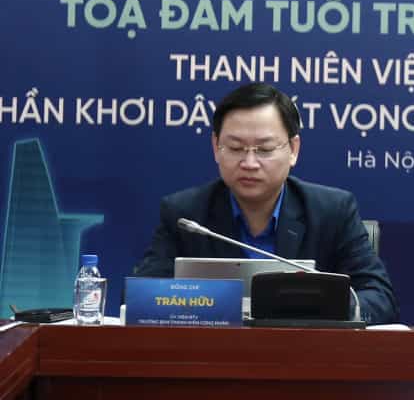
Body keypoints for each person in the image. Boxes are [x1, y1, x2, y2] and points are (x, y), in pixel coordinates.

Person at [133, 82, 399, 325]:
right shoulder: (186, 216)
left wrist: (326, 306)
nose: (249, 163)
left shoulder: (332, 211)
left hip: (305, 356)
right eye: (235, 148)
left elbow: (380, 299)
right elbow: (137, 297)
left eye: (264, 149)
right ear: (216, 147)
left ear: (293, 149)